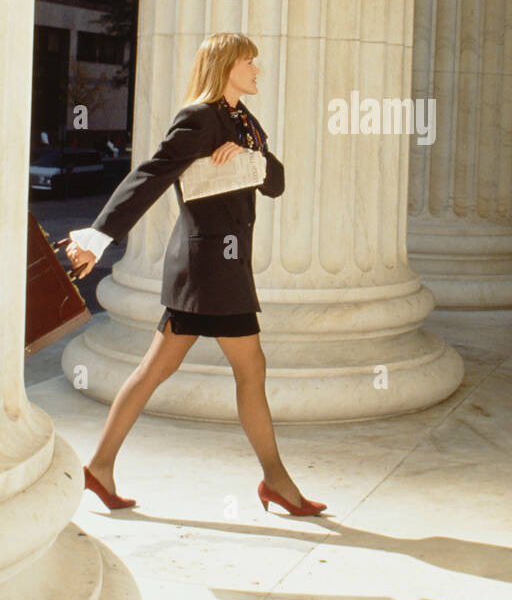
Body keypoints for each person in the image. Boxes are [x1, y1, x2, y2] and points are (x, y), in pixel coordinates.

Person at [66, 30, 326, 518]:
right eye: (249, 61)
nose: (256, 69)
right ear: (228, 66)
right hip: (210, 272)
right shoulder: (200, 118)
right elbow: (150, 175)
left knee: (158, 370)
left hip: (220, 269)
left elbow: (277, 183)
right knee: (249, 370)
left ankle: (99, 469)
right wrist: (99, 238)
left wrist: (249, 158)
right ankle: (278, 482)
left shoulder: (243, 120)